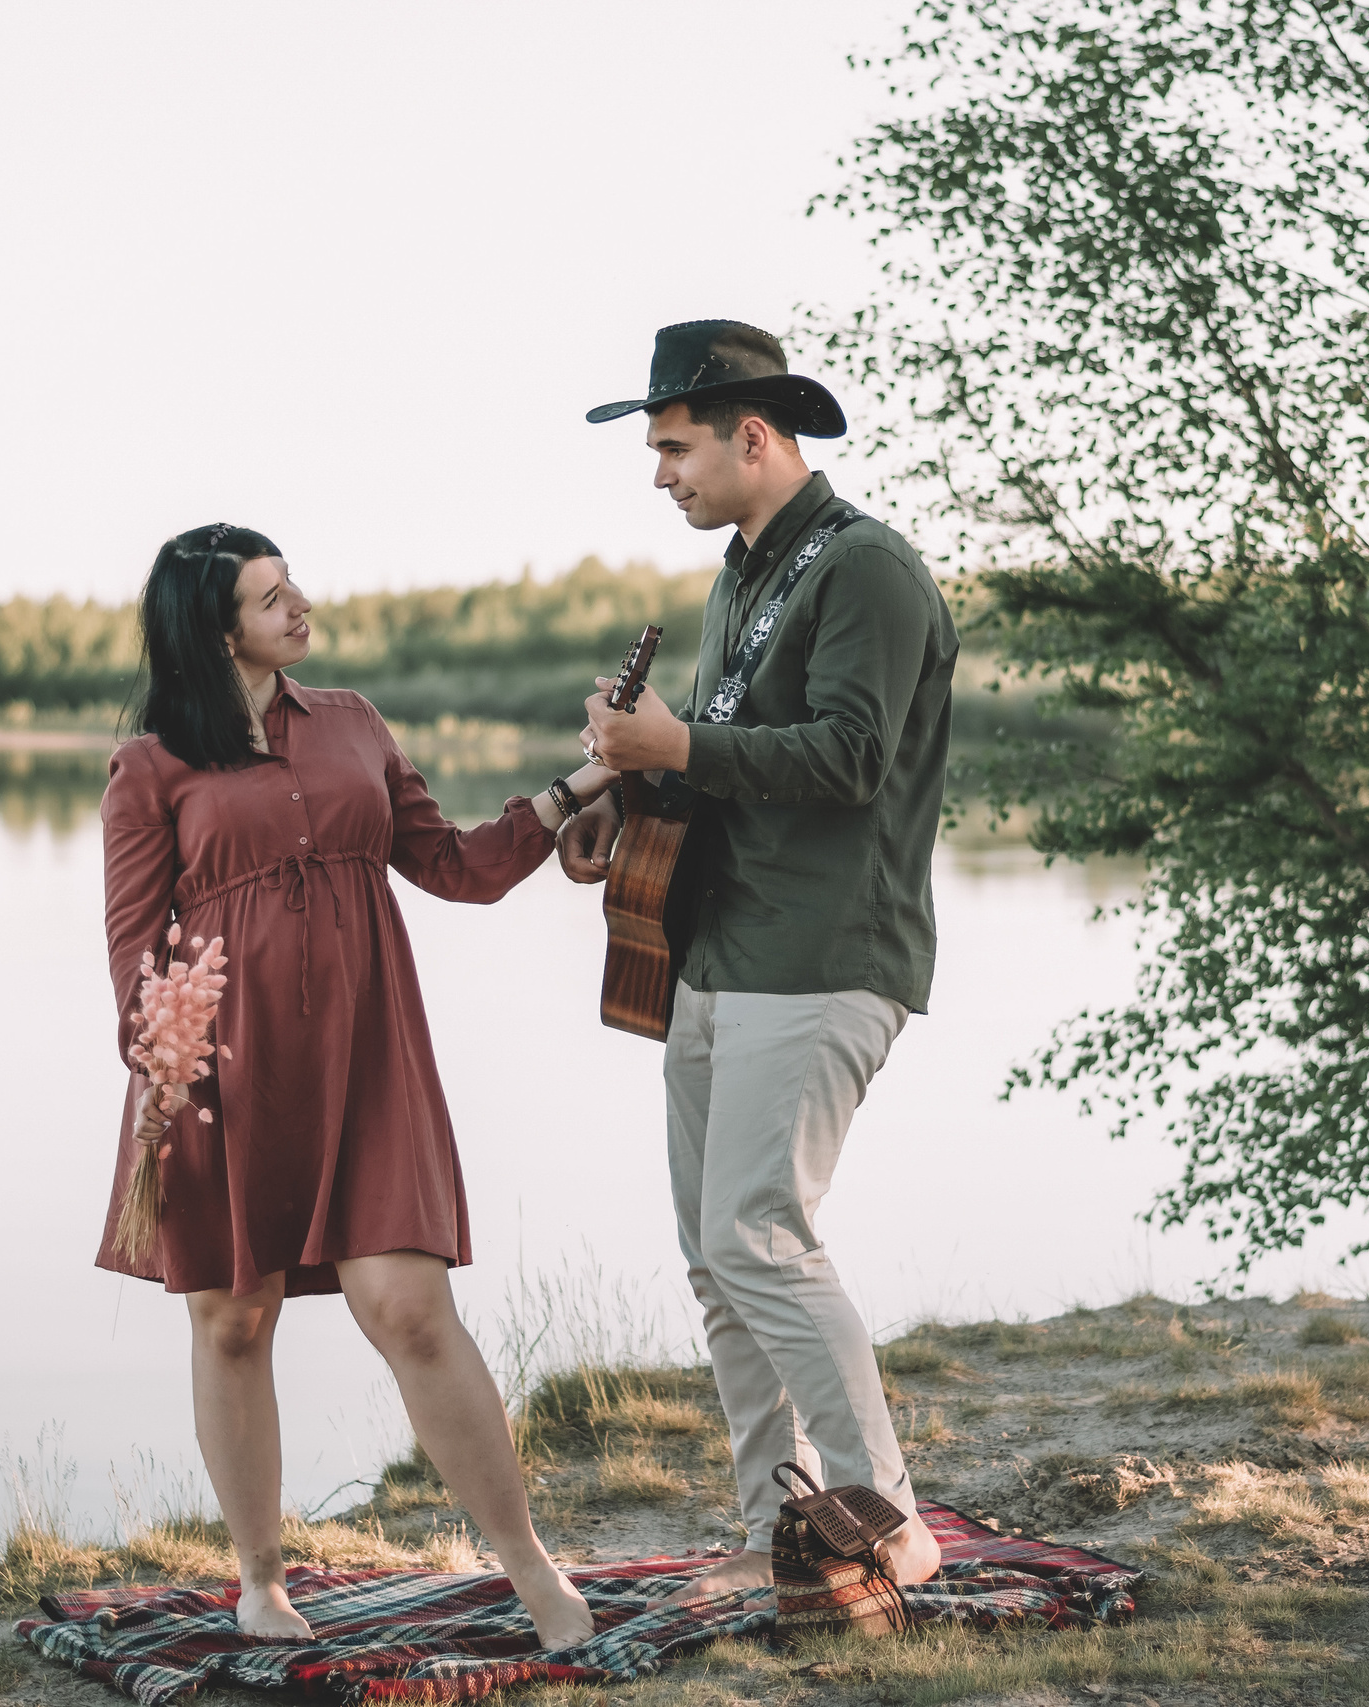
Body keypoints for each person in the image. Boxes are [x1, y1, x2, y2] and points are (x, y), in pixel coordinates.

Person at [98, 524, 614, 1647]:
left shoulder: (353, 723)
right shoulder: (149, 769)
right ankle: (261, 1583)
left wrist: (584, 785)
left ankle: (532, 1571)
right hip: (222, 1079)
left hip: (368, 1059)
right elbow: (134, 954)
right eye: (271, 598)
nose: (300, 608)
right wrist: (162, 1071)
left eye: (293, 589)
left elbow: (457, 868)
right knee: (234, 1322)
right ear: (213, 628)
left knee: (412, 1311)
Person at [561, 322, 959, 1604]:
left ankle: (890, 1526)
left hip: (825, 949)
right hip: (717, 949)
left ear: (753, 435)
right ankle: (771, 1531)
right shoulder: (738, 574)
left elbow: (848, 758)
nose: (659, 474)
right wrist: (622, 800)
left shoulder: (871, 572)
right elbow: (722, 751)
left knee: (759, 1238)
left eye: (674, 448)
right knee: (713, 1254)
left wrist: (674, 748)